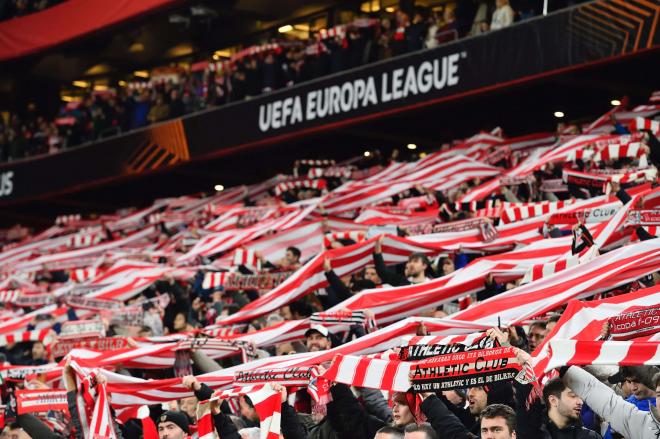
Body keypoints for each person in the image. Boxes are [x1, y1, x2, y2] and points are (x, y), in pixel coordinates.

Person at [560, 366, 660, 439]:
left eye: (637, 381)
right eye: (628, 381)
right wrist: (566, 370)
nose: (633, 387)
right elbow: (608, 403)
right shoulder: (645, 422)